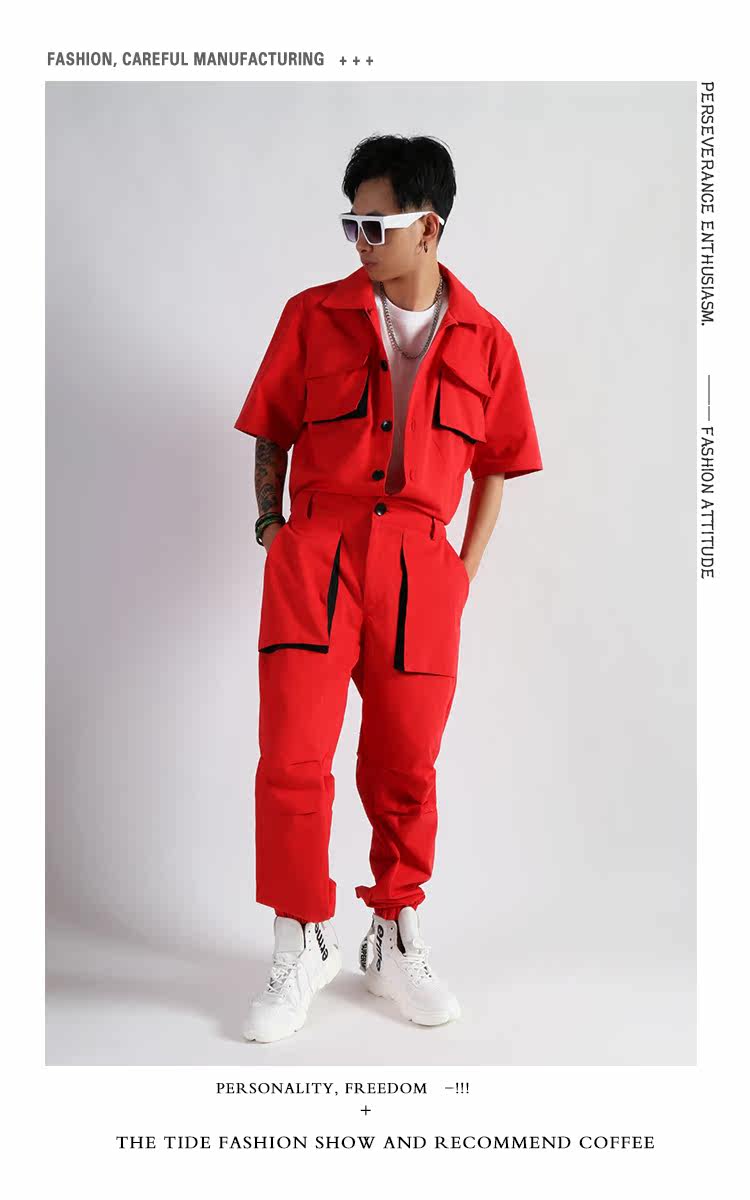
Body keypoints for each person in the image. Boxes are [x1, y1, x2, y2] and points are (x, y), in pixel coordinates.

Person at [234, 134, 543, 1043]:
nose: (359, 240)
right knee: (292, 756)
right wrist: (272, 527)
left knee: (405, 765)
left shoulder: (488, 341)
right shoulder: (311, 316)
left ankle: (392, 935)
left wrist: (459, 575)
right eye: (351, 223)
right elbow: (273, 428)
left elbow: (498, 465)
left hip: (420, 567)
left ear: (429, 228)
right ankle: (300, 936)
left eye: (376, 224)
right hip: (317, 554)